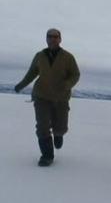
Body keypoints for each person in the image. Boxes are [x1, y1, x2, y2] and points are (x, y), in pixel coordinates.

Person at [15, 28, 80, 166]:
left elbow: (76, 74)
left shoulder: (68, 57)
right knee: (42, 127)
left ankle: (58, 134)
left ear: (60, 39)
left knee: (61, 126)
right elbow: (31, 73)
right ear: (46, 39)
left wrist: (67, 84)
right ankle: (47, 156)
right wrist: (21, 85)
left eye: (55, 36)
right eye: (49, 36)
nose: (52, 39)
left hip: (60, 97)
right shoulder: (40, 56)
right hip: (41, 96)